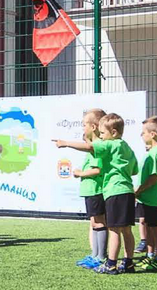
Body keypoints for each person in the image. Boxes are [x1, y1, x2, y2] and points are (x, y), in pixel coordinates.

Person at [57, 112, 139, 275]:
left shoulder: (110, 144)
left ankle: (111, 264)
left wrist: (65, 143)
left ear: (113, 132)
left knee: (114, 230)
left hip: (114, 191)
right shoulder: (126, 147)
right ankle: (128, 262)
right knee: (127, 230)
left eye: (102, 133)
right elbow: (134, 170)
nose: (101, 137)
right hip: (127, 190)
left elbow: (90, 147)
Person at [66, 107, 107, 270]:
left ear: (94, 127)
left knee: (99, 223)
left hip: (96, 190)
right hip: (91, 190)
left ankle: (101, 256)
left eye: (84, 125)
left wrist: (80, 173)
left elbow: (98, 170)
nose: (83, 128)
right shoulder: (94, 147)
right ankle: (95, 254)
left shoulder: (99, 146)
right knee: (94, 223)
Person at [134, 117, 157, 270]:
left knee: (156, 229)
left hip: (155, 199)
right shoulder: (154, 152)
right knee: (148, 227)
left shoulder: (156, 153)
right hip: (147, 199)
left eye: (144, 132)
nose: (141, 135)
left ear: (153, 134)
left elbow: (153, 178)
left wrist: (138, 190)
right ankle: (150, 256)